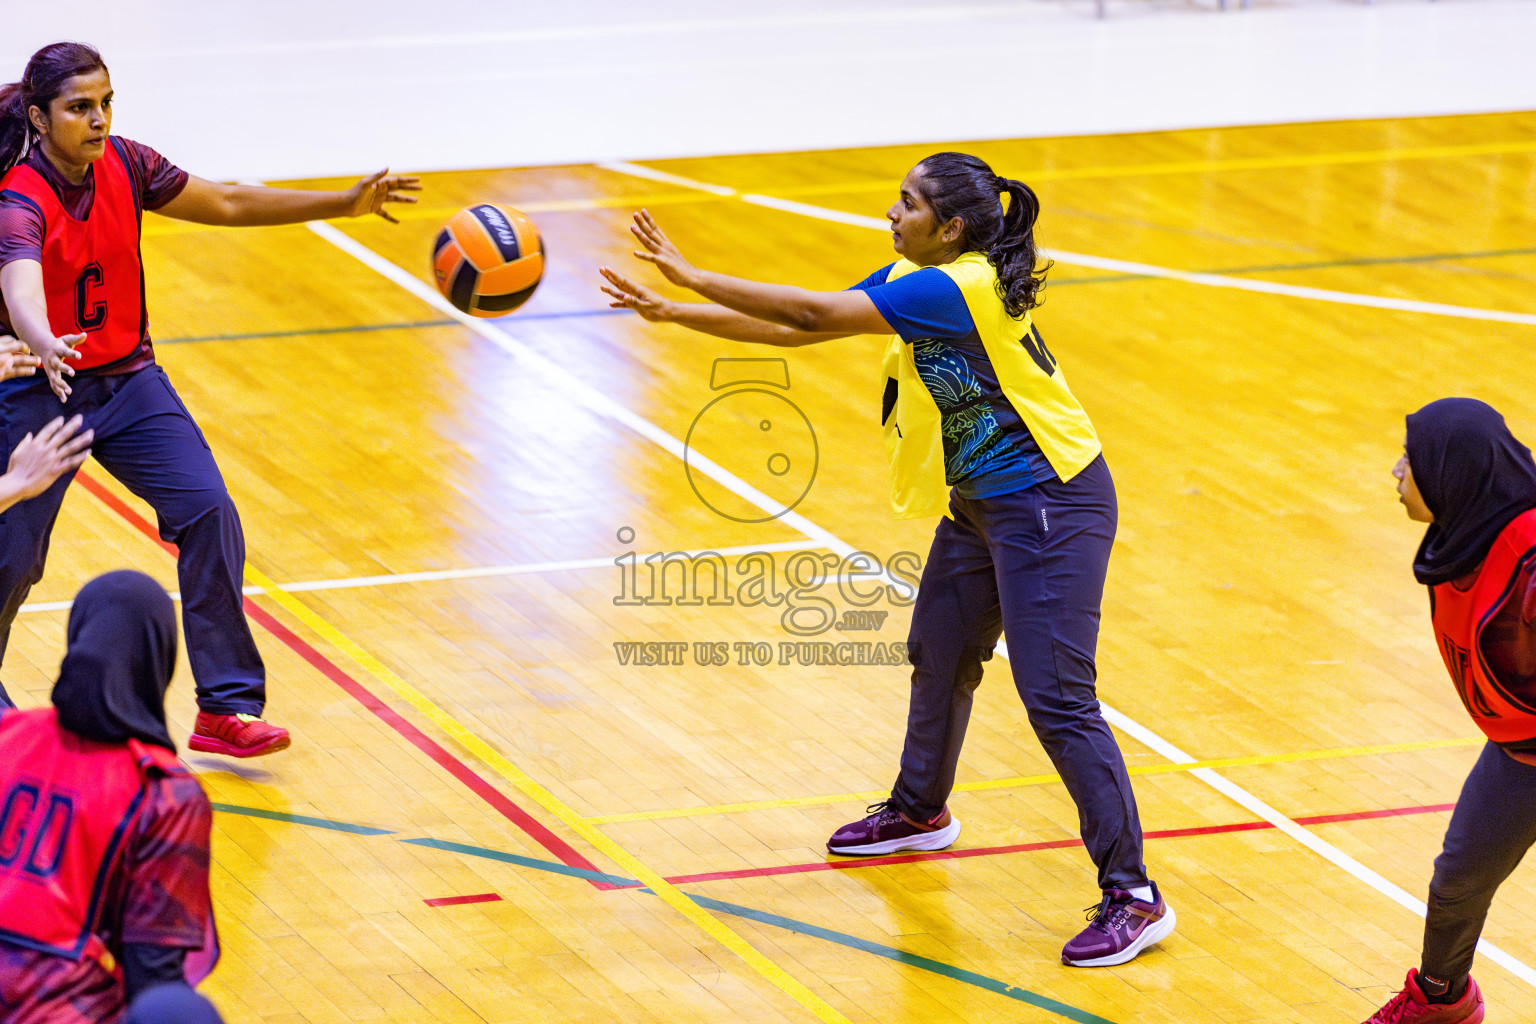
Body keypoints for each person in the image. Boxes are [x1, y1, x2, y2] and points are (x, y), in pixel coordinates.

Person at [599, 151, 1174, 967]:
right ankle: (920, 813)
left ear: (952, 227)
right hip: (983, 503)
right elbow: (805, 325)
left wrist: (693, 277)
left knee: (1057, 698)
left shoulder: (952, 285)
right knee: (938, 652)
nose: (890, 214)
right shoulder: (919, 272)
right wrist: (671, 311)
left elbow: (804, 313)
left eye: (906, 205)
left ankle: (1134, 895)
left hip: (1051, 503)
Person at [0, 42, 420, 755]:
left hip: (129, 381)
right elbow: (20, 279)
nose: (98, 120)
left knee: (208, 508)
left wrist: (342, 203)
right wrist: (41, 340)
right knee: (12, 559)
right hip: (48, 389)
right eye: (80, 108)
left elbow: (225, 200)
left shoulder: (129, 164)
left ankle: (224, 707)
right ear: (39, 119)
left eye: (105, 104)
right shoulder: (18, 198)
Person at [1364, 398, 1536, 1024]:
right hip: (1521, 752)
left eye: (1409, 460)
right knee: (1459, 880)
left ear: (1449, 473)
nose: (1396, 471)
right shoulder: (1463, 538)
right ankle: (1443, 1003)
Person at [0, 571, 221, 1024]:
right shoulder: (164, 794)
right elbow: (151, 976)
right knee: (179, 1013)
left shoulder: (7, 732)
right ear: (159, 657)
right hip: (53, 1011)